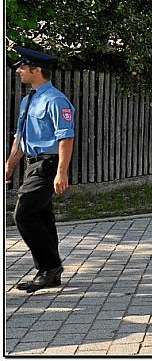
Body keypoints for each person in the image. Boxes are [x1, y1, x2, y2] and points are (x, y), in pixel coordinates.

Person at [6, 47, 75, 293]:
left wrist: (62, 172)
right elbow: (21, 138)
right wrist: (10, 165)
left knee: (23, 215)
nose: (18, 70)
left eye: (23, 67)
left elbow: (66, 138)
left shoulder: (56, 100)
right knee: (43, 218)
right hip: (31, 163)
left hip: (48, 165)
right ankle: (49, 273)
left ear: (37, 70)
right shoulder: (29, 99)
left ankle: (50, 267)